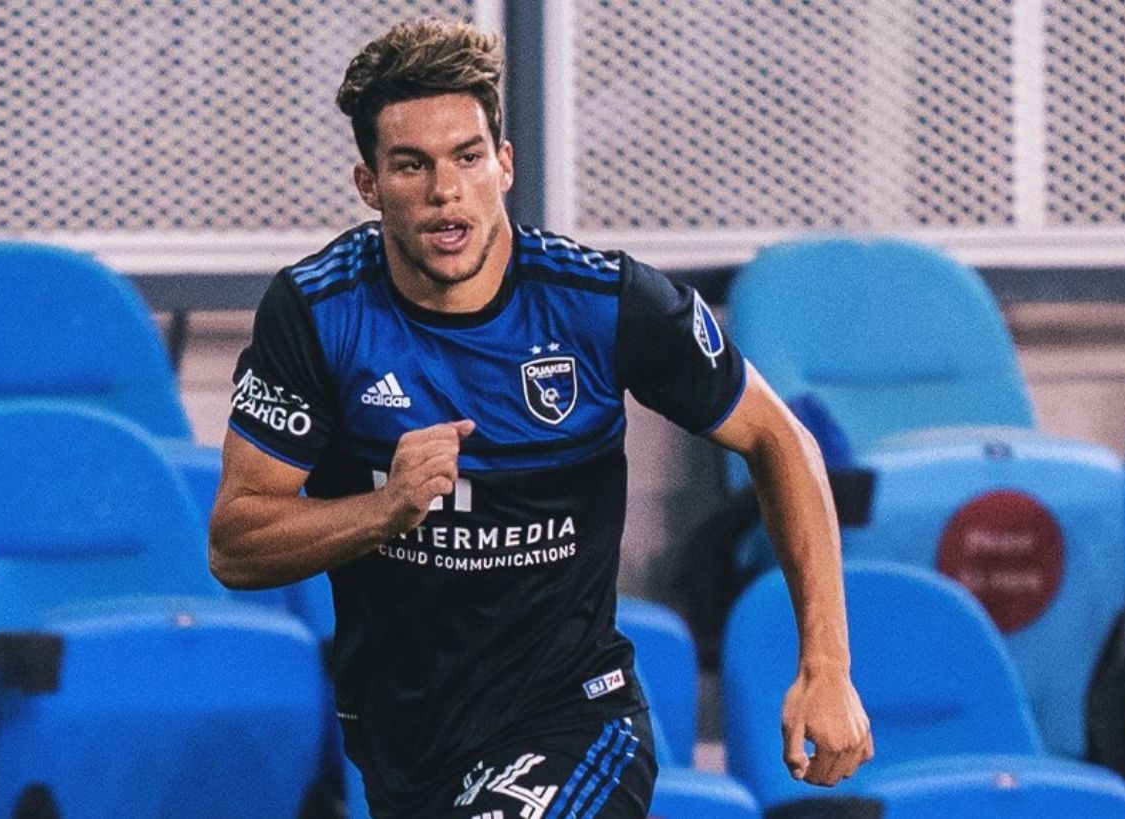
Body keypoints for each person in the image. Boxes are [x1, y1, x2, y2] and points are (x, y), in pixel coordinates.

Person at [208, 17, 872, 818]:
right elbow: (235, 541)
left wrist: (826, 666)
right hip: (403, 740)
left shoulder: (604, 304)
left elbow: (778, 437)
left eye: (467, 157)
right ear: (369, 184)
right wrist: (384, 509)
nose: (446, 190)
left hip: (574, 714)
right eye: (412, 165)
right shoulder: (319, 313)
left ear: (505, 164)